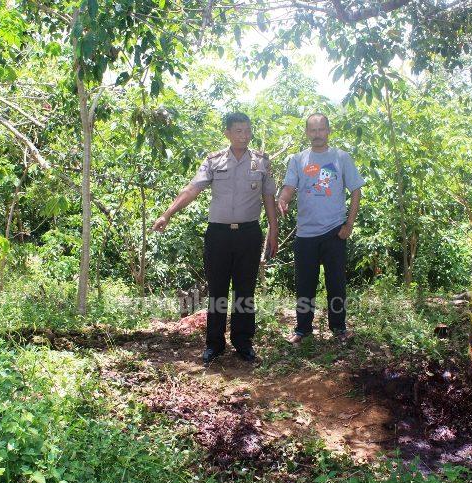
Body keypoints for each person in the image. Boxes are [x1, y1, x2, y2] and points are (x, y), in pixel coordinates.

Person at [152, 113, 278, 364]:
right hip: (218, 235)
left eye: (247, 130)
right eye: (238, 131)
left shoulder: (261, 162)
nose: (244, 135)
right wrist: (167, 214)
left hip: (249, 234)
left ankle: (243, 342)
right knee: (218, 290)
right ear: (227, 133)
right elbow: (192, 189)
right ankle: (215, 344)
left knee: (245, 290)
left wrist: (273, 230)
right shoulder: (214, 161)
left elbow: (268, 198)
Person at [277, 113, 364, 343]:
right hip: (305, 233)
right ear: (307, 132)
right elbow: (289, 186)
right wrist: (283, 199)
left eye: (321, 129)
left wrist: (349, 225)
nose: (317, 134)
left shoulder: (341, 158)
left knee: (336, 283)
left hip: (334, 230)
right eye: (312, 130)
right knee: (305, 284)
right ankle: (303, 330)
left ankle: (339, 328)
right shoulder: (298, 160)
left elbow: (356, 190)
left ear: (328, 131)